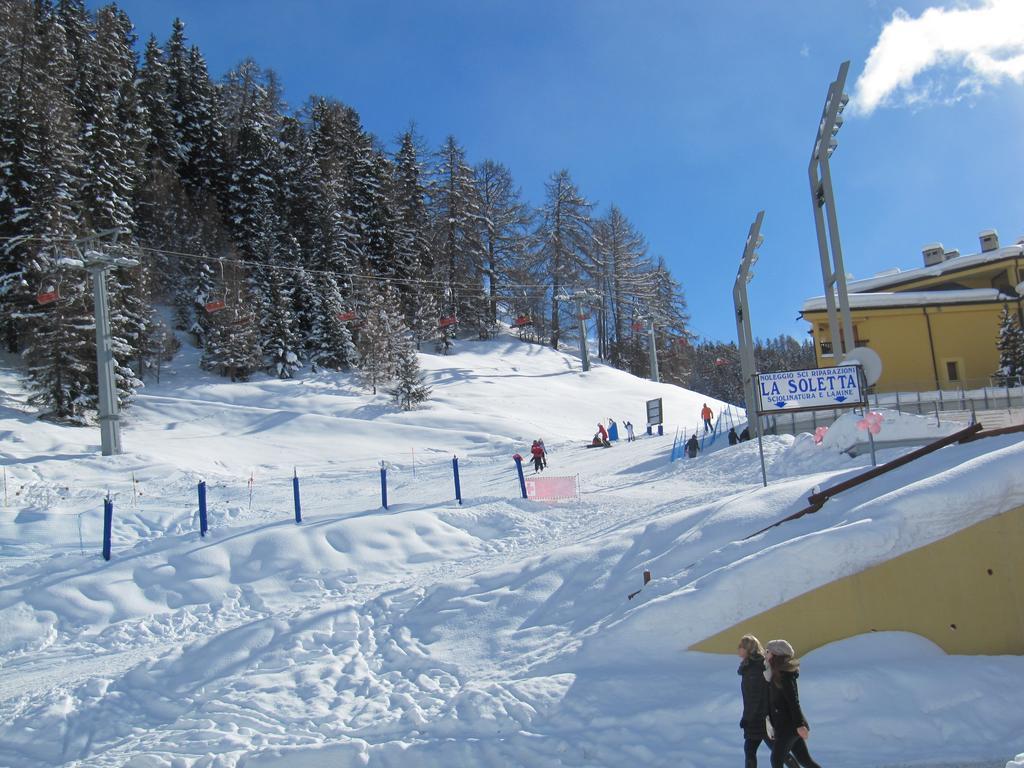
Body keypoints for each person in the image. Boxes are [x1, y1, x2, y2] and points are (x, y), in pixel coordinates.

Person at [738, 635, 799, 768]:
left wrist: (748, 718)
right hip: (759, 717)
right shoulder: (753, 666)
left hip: (760, 719)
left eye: (741, 647)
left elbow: (755, 697)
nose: (738, 650)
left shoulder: (753, 669)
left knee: (762, 752)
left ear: (748, 649)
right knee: (756, 751)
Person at [766, 639, 823, 768]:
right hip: (786, 726)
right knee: (805, 761)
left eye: (768, 651)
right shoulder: (774, 673)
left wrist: (800, 725)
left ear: (776, 655)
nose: (765, 654)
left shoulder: (785, 675)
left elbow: (793, 701)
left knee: (776, 760)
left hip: (790, 726)